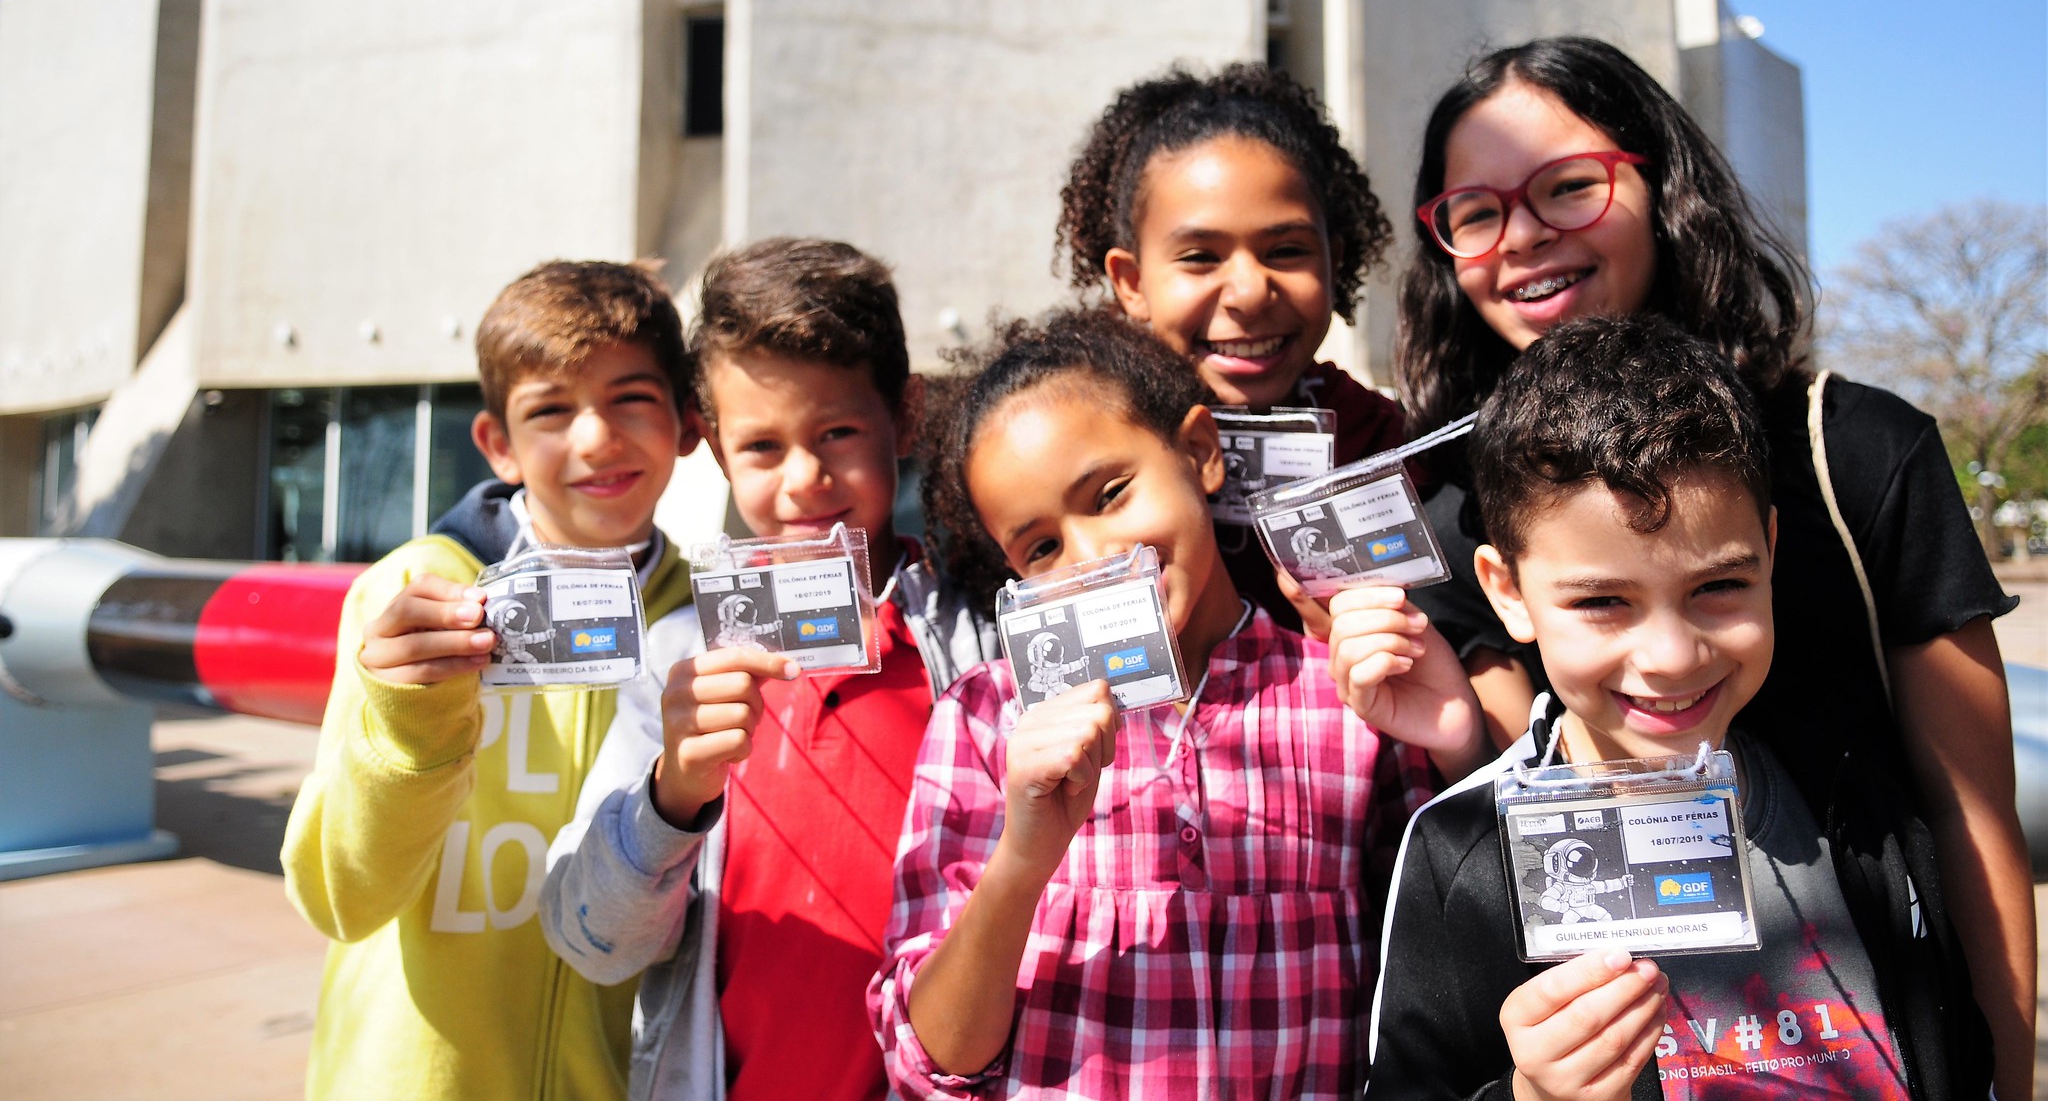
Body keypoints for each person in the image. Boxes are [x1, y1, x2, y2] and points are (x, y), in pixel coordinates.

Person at [1394, 37, 2032, 1096]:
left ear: (1661, 184)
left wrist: (2003, 1076)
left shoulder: (1851, 450)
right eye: (1476, 211)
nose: (1524, 235)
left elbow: (1972, 816)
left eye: (1568, 186)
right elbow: (1527, 789)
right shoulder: (1454, 522)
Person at [1368, 316, 1991, 1101]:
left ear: (1769, 551)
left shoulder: (1855, 796)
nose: (1671, 654)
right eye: (1602, 601)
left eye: (1718, 585)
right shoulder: (1459, 852)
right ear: (1507, 591)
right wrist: (1531, 1095)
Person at [872, 307, 1487, 1098]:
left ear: (1199, 452)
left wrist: (1461, 750)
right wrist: (1022, 861)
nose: (1094, 557)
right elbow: (928, 1060)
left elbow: (1447, 976)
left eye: (1110, 493)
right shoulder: (987, 719)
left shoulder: (1350, 697)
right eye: (1042, 547)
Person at [538, 238, 999, 1101]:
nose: (805, 479)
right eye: (761, 446)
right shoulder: (680, 658)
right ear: (714, 448)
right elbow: (588, 938)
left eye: (838, 432)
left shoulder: (987, 642)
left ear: (905, 415)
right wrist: (672, 795)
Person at [281, 259, 700, 1100]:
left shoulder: (705, 616)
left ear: (688, 423)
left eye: (630, 398)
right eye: (551, 410)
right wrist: (408, 728)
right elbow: (337, 898)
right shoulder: (412, 594)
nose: (596, 438)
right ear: (498, 444)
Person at [1054, 62, 1410, 621]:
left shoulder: (1387, 448)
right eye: (1200, 257)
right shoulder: (1076, 450)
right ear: (1132, 283)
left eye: (1286, 251)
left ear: (1333, 261)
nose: (1249, 293)